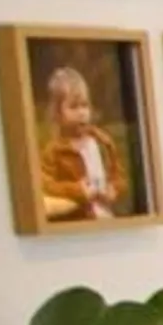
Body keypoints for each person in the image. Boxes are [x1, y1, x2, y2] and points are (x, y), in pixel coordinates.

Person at [32, 63, 130, 222]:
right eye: (74, 107)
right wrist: (76, 190)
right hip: (79, 219)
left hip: (107, 216)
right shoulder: (54, 151)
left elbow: (118, 175)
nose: (82, 113)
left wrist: (114, 189)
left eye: (85, 106)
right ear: (57, 113)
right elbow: (45, 184)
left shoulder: (102, 142)